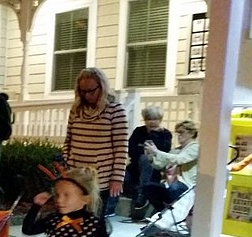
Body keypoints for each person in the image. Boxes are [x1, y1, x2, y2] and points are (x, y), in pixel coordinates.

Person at [62, 67, 128, 218]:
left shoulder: (115, 111)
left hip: (100, 178)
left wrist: (117, 178)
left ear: (102, 87)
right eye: (83, 91)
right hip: (76, 174)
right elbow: (69, 139)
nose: (87, 95)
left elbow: (121, 147)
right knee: (73, 219)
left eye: (91, 91)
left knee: (95, 221)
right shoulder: (76, 110)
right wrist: (67, 159)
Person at [140, 120, 199, 214]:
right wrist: (151, 157)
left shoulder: (195, 147)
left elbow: (180, 159)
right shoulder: (176, 150)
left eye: (181, 132)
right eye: (177, 133)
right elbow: (161, 165)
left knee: (174, 188)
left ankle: (171, 213)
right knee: (148, 187)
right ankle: (163, 213)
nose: (179, 135)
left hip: (186, 185)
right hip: (170, 183)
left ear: (191, 133)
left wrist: (156, 152)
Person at [126, 106, 173, 218]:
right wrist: (146, 151)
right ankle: (140, 193)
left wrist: (153, 135)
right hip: (135, 167)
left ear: (160, 120)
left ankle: (142, 195)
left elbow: (163, 152)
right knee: (123, 179)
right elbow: (131, 150)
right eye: (149, 119)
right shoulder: (138, 131)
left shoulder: (165, 134)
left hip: (154, 168)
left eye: (155, 119)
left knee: (145, 159)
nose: (152, 122)